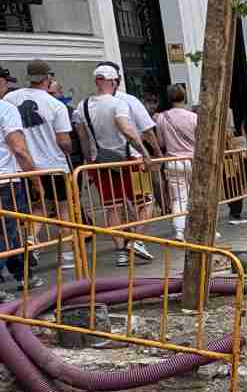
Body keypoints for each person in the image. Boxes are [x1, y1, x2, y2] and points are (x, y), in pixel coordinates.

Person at [72, 63, 153, 266]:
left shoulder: (81, 107)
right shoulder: (118, 103)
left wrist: (89, 162)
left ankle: (121, 252)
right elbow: (126, 129)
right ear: (112, 81)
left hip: (100, 163)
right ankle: (137, 241)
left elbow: (83, 140)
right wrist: (144, 153)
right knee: (146, 202)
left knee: (112, 208)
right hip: (129, 160)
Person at [6, 60, 75, 267]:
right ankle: (68, 257)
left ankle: (31, 239)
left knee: (39, 206)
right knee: (64, 210)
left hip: (23, 167)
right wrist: (68, 149)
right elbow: (64, 142)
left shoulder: (10, 98)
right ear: (48, 78)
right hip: (53, 166)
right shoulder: (56, 105)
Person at [0, 90, 43, 292]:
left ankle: (23, 273)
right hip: (5, 180)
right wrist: (36, 181)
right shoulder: (5, 109)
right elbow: (19, 150)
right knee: (6, 232)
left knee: (10, 230)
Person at [155, 84, 197, 240]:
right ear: (184, 97)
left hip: (173, 161)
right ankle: (204, 227)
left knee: (179, 198)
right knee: (198, 195)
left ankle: (179, 231)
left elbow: (160, 142)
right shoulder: (193, 117)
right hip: (193, 160)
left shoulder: (161, 118)